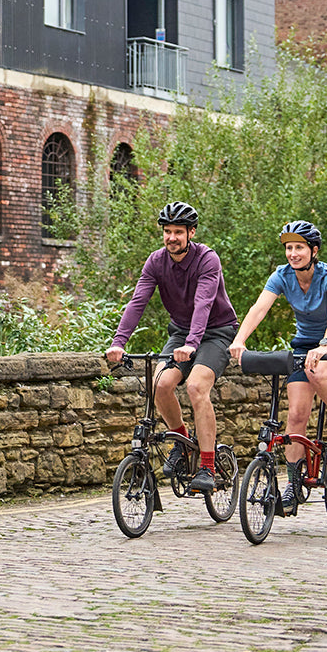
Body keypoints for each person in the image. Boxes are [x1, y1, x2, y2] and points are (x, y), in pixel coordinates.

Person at [229, 220, 327, 514]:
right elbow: (259, 309)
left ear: (313, 251)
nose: (293, 253)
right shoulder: (282, 276)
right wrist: (239, 340)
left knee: (318, 371)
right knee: (295, 416)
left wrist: (326, 344)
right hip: (305, 346)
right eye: (289, 248)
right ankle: (293, 485)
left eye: (299, 248)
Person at [105, 201, 239, 494]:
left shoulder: (207, 259)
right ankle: (181, 441)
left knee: (196, 387)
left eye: (179, 232)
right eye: (167, 232)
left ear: (191, 233)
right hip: (181, 332)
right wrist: (118, 342)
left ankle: (207, 464)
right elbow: (137, 302)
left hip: (217, 332)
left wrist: (192, 345)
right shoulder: (156, 262)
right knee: (160, 385)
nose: (172, 238)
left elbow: (204, 303)